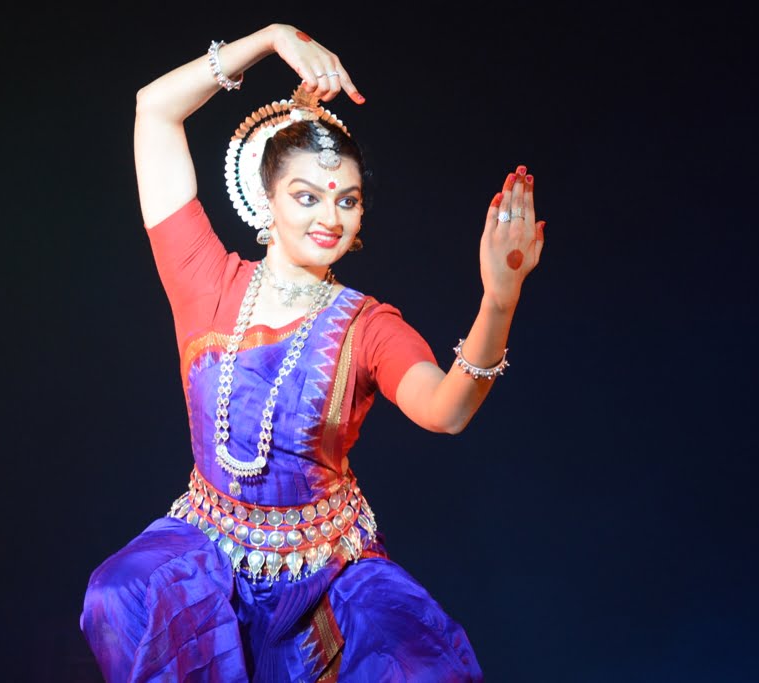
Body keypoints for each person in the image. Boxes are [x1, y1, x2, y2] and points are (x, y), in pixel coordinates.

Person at [80, 22, 545, 682]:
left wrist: (498, 300)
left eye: (347, 200)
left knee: (414, 668)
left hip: (328, 574)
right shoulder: (206, 280)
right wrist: (270, 38)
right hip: (206, 566)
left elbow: (447, 410)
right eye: (307, 195)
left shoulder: (368, 325)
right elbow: (154, 109)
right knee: (120, 594)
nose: (329, 214)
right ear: (266, 201)